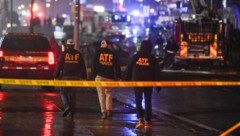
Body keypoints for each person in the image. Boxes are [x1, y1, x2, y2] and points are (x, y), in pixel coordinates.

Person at [126, 40, 161, 129]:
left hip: (137, 81)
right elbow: (156, 72)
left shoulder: (135, 56)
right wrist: (158, 84)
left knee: (138, 100)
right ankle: (148, 121)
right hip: (148, 82)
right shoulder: (152, 58)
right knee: (148, 101)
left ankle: (140, 119)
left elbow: (129, 68)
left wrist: (126, 79)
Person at [53, 39, 87, 119]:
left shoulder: (64, 54)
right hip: (75, 77)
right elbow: (82, 66)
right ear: (74, 45)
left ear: (67, 46)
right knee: (73, 94)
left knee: (63, 92)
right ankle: (72, 112)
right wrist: (84, 77)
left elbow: (59, 65)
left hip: (66, 77)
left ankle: (67, 105)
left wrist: (55, 76)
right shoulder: (78, 54)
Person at [92, 39, 122, 119]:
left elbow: (94, 66)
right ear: (108, 45)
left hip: (100, 77)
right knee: (109, 93)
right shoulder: (113, 53)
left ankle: (103, 112)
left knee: (101, 94)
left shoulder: (97, 53)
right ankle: (109, 110)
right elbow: (117, 66)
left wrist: (92, 76)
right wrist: (119, 76)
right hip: (110, 77)